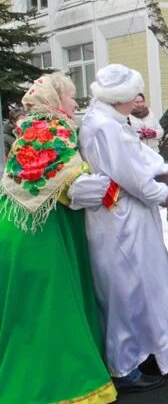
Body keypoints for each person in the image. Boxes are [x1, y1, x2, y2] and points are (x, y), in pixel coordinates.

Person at [0, 74, 117, 403]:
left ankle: (20, 374)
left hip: (15, 231)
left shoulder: (31, 129)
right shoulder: (52, 130)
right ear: (54, 102)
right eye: (70, 98)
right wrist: (111, 187)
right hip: (41, 239)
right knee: (49, 312)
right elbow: (73, 186)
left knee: (22, 315)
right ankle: (59, 384)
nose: (74, 104)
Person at [79, 64, 168, 392]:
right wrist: (164, 193)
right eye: (133, 95)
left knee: (139, 284)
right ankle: (125, 363)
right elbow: (131, 175)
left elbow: (139, 156)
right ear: (120, 97)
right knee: (127, 289)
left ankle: (143, 351)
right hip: (121, 218)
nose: (138, 100)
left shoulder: (107, 120)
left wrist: (164, 171)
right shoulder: (106, 126)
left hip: (123, 216)